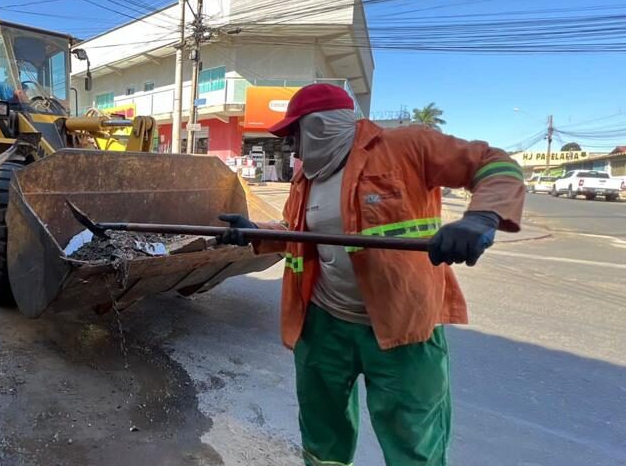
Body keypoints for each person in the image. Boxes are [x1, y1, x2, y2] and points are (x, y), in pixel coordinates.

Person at [219, 83, 524, 466]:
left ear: (321, 126)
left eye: (295, 135)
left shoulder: (407, 147)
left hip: (401, 329)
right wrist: (253, 232)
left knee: (412, 439)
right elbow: (298, 233)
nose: (293, 149)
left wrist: (482, 217)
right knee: (321, 429)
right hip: (323, 324)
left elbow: (493, 163)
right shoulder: (308, 176)